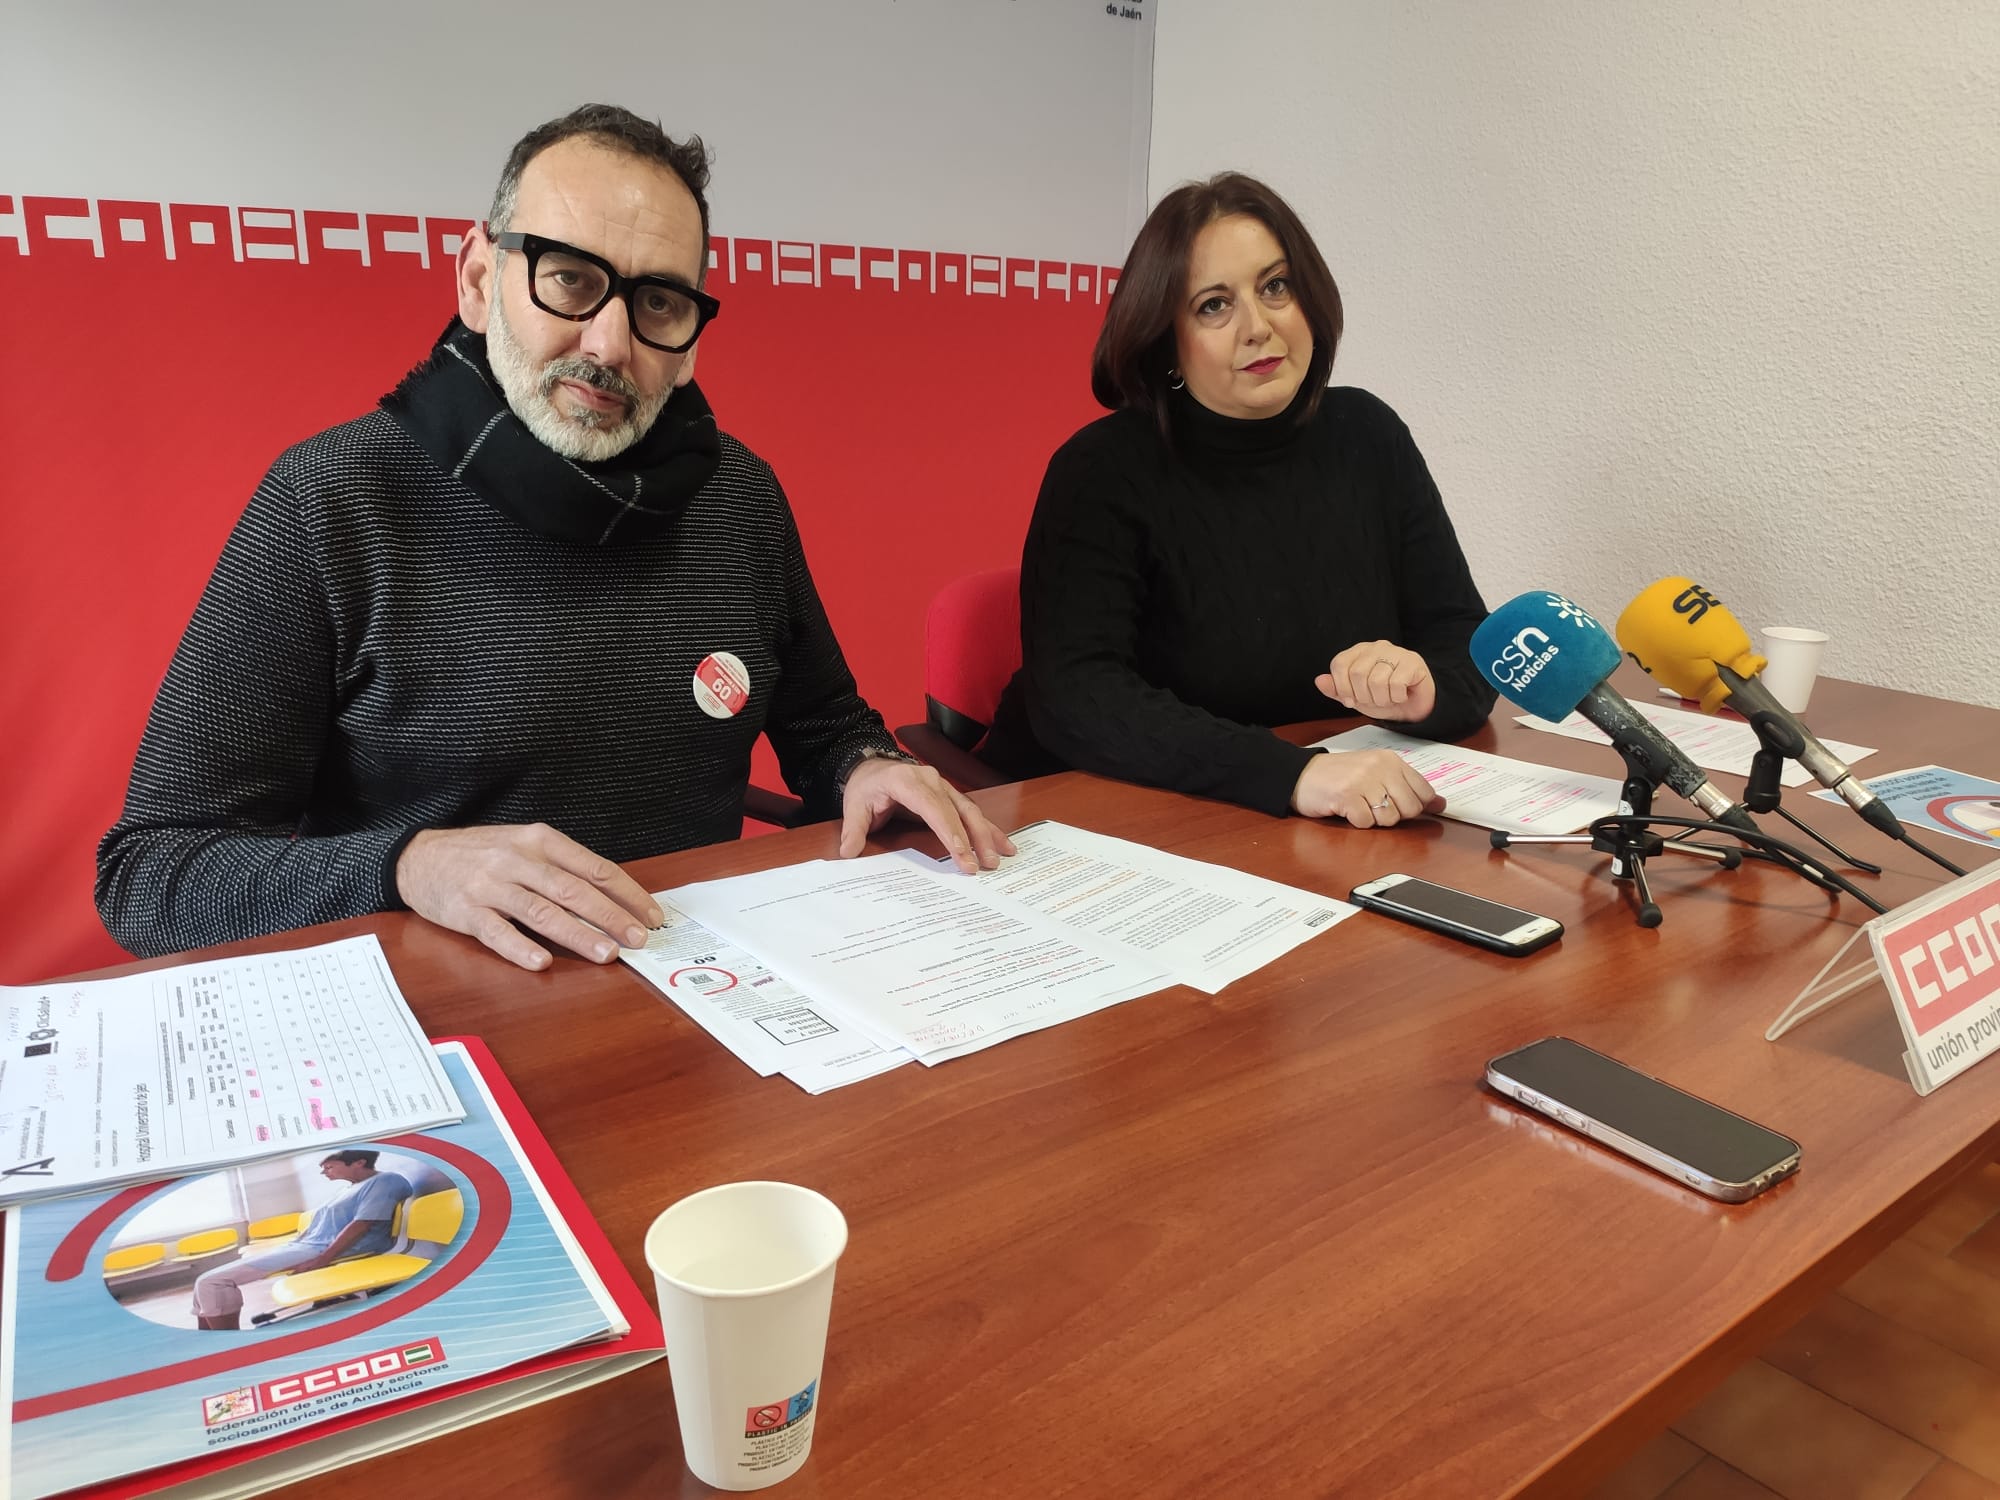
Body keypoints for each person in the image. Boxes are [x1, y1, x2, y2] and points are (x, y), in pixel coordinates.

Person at [97, 104, 1012, 972]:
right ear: (476, 279)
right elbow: (150, 872)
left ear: (690, 335)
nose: (610, 343)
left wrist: (866, 767)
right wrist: (408, 867)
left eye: (658, 302)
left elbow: (824, 726)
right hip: (443, 1023)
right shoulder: (330, 503)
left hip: (700, 994)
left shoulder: (738, 496)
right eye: (571, 279)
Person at [981, 172, 1494, 828]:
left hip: (1328, 817)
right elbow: (1077, 698)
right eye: (1214, 306)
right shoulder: (1101, 469)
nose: (1259, 327)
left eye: (1275, 287)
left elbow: (1464, 636)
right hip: (1125, 816)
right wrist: (1292, 775)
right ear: (1167, 340)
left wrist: (1427, 688)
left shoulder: (1369, 435)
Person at [191, 1150, 412, 1331]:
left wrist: (322, 1261)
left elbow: (361, 1224)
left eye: (329, 1166)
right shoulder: (349, 1188)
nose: (324, 1172)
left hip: (322, 1250)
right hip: (306, 1246)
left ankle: (228, 1347)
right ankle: (206, 1341)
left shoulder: (386, 1181)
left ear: (359, 1162)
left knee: (212, 1282)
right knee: (203, 1281)